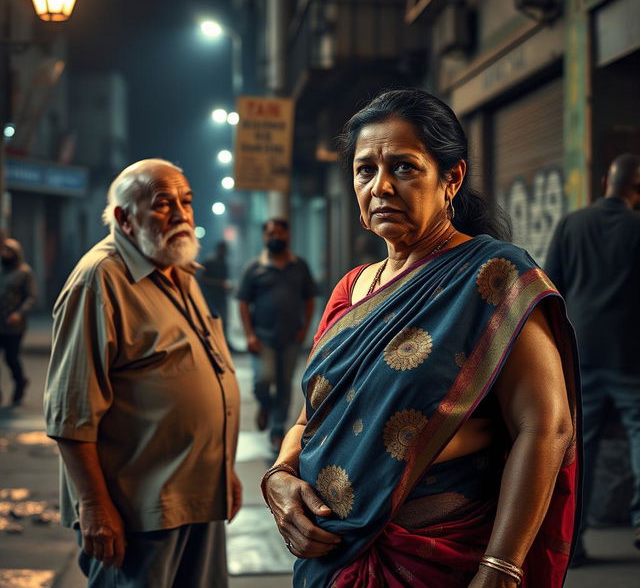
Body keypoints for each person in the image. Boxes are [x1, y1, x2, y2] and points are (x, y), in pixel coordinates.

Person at [261, 89, 580, 587]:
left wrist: (501, 567)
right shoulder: (351, 290)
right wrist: (279, 476)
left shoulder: (493, 277)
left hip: (437, 557)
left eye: (404, 168)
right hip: (334, 557)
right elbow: (312, 416)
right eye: (365, 170)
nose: (381, 187)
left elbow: (546, 427)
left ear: (451, 178)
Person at [44, 159, 241, 588]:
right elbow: (69, 415)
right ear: (123, 217)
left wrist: (222, 471)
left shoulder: (179, 268)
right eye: (162, 204)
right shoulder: (99, 280)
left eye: (186, 202)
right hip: (136, 513)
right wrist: (95, 507)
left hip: (197, 496)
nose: (180, 215)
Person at [545, 153, 640, 559]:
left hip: (580, 351)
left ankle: (573, 542)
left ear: (605, 180)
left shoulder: (572, 223)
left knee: (578, 447)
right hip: (629, 354)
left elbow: (550, 287)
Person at [237, 218, 316, 451]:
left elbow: (309, 298)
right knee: (263, 380)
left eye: (279, 232)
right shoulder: (254, 267)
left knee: (284, 385)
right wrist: (250, 335)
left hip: (291, 337)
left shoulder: (299, 266)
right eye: (270, 233)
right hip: (263, 338)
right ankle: (265, 405)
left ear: (287, 235)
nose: (275, 237)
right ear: (264, 237)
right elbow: (242, 302)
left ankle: (277, 430)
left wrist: (305, 329)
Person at [0, 238, 36, 406]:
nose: (5, 255)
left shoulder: (24, 272)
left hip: (14, 324)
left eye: (9, 252)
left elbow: (31, 297)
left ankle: (20, 383)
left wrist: (19, 314)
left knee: (11, 357)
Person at [200, 240, 233, 342]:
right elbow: (202, 279)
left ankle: (225, 343)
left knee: (224, 321)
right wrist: (220, 284)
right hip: (210, 297)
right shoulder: (209, 261)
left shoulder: (223, 261)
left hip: (221, 296)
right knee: (211, 321)